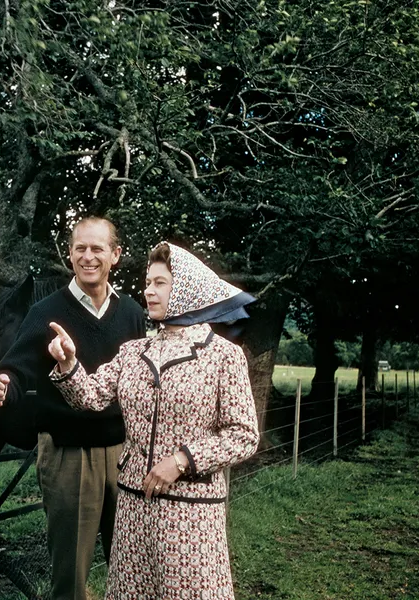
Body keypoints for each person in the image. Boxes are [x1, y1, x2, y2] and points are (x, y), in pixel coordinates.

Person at [47, 241, 259, 600]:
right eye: (147, 282)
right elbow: (90, 396)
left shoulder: (223, 356)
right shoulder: (134, 351)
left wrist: (181, 461)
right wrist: (68, 363)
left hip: (191, 514)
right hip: (132, 509)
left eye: (160, 282)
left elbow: (244, 435)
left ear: (187, 289)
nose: (148, 290)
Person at [0, 217, 146, 600]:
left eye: (97, 248)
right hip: (68, 456)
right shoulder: (46, 312)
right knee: (70, 576)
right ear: (70, 254)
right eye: (80, 248)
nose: (88, 256)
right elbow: (17, 369)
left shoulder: (132, 314)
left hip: (125, 455)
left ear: (116, 256)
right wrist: (1, 385)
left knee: (130, 568)